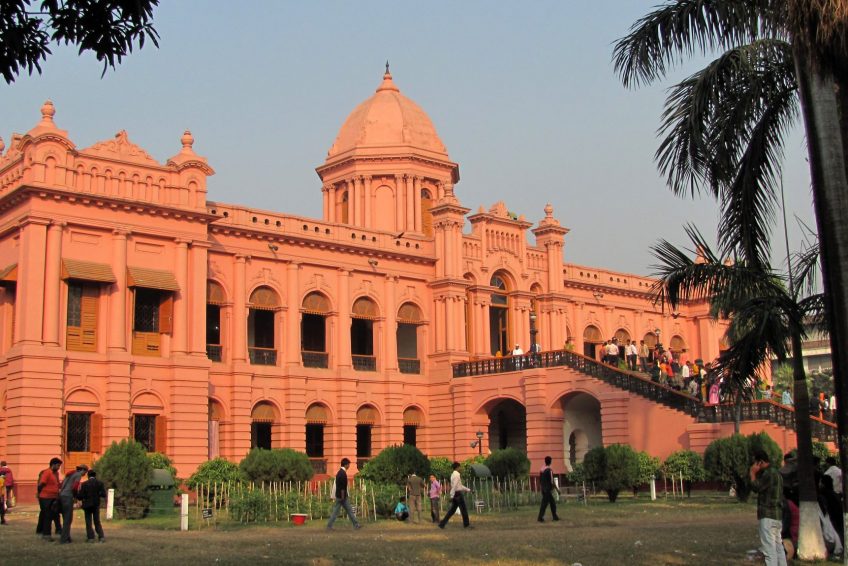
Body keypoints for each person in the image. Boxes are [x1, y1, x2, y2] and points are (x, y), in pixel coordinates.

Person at [749, 449, 785, 566]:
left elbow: (756, 487)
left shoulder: (768, 474)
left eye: (756, 463)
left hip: (767, 515)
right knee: (778, 547)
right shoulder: (777, 473)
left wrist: (752, 474)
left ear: (760, 462)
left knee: (769, 550)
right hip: (777, 515)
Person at [327, 458, 361, 530]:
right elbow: (343, 486)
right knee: (348, 511)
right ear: (346, 465)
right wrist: (343, 496)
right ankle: (356, 524)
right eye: (348, 464)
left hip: (339, 495)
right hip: (342, 496)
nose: (349, 466)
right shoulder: (343, 474)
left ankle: (329, 525)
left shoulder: (339, 472)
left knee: (338, 511)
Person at [59, 464, 88, 543]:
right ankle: (64, 539)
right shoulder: (78, 475)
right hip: (68, 496)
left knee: (65, 517)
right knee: (68, 519)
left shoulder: (70, 473)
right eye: (85, 472)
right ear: (83, 470)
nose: (84, 474)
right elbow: (75, 487)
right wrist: (75, 497)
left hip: (62, 495)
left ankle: (67, 537)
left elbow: (61, 484)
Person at [438, 461, 472, 529]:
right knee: (463, 510)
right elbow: (455, 486)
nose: (460, 468)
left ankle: (442, 524)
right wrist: (452, 495)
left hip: (456, 494)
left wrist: (468, 490)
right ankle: (466, 525)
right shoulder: (457, 475)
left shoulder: (453, 475)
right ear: (457, 467)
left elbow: (459, 485)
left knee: (452, 511)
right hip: (458, 494)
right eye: (460, 467)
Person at [76, 468, 106, 542]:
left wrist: (79, 497)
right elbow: (103, 494)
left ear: (88, 476)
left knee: (88, 521)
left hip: (87, 505)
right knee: (97, 521)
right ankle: (101, 536)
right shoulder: (100, 483)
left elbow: (80, 496)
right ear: (95, 475)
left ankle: (90, 537)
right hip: (96, 504)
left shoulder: (84, 484)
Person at [37, 457, 63, 542]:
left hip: (54, 497)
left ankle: (55, 530)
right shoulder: (47, 472)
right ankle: (46, 535)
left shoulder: (56, 474)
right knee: (47, 516)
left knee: (54, 515)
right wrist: (40, 494)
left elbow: (57, 484)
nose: (59, 468)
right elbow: (41, 484)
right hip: (46, 497)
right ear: (53, 465)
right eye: (58, 465)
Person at [537, 456, 560, 522]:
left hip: (543, 489)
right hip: (547, 490)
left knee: (552, 503)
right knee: (545, 504)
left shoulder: (542, 470)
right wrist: (557, 490)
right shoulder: (549, 470)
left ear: (545, 461)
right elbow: (552, 482)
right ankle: (540, 518)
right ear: (550, 462)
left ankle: (555, 517)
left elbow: (540, 480)